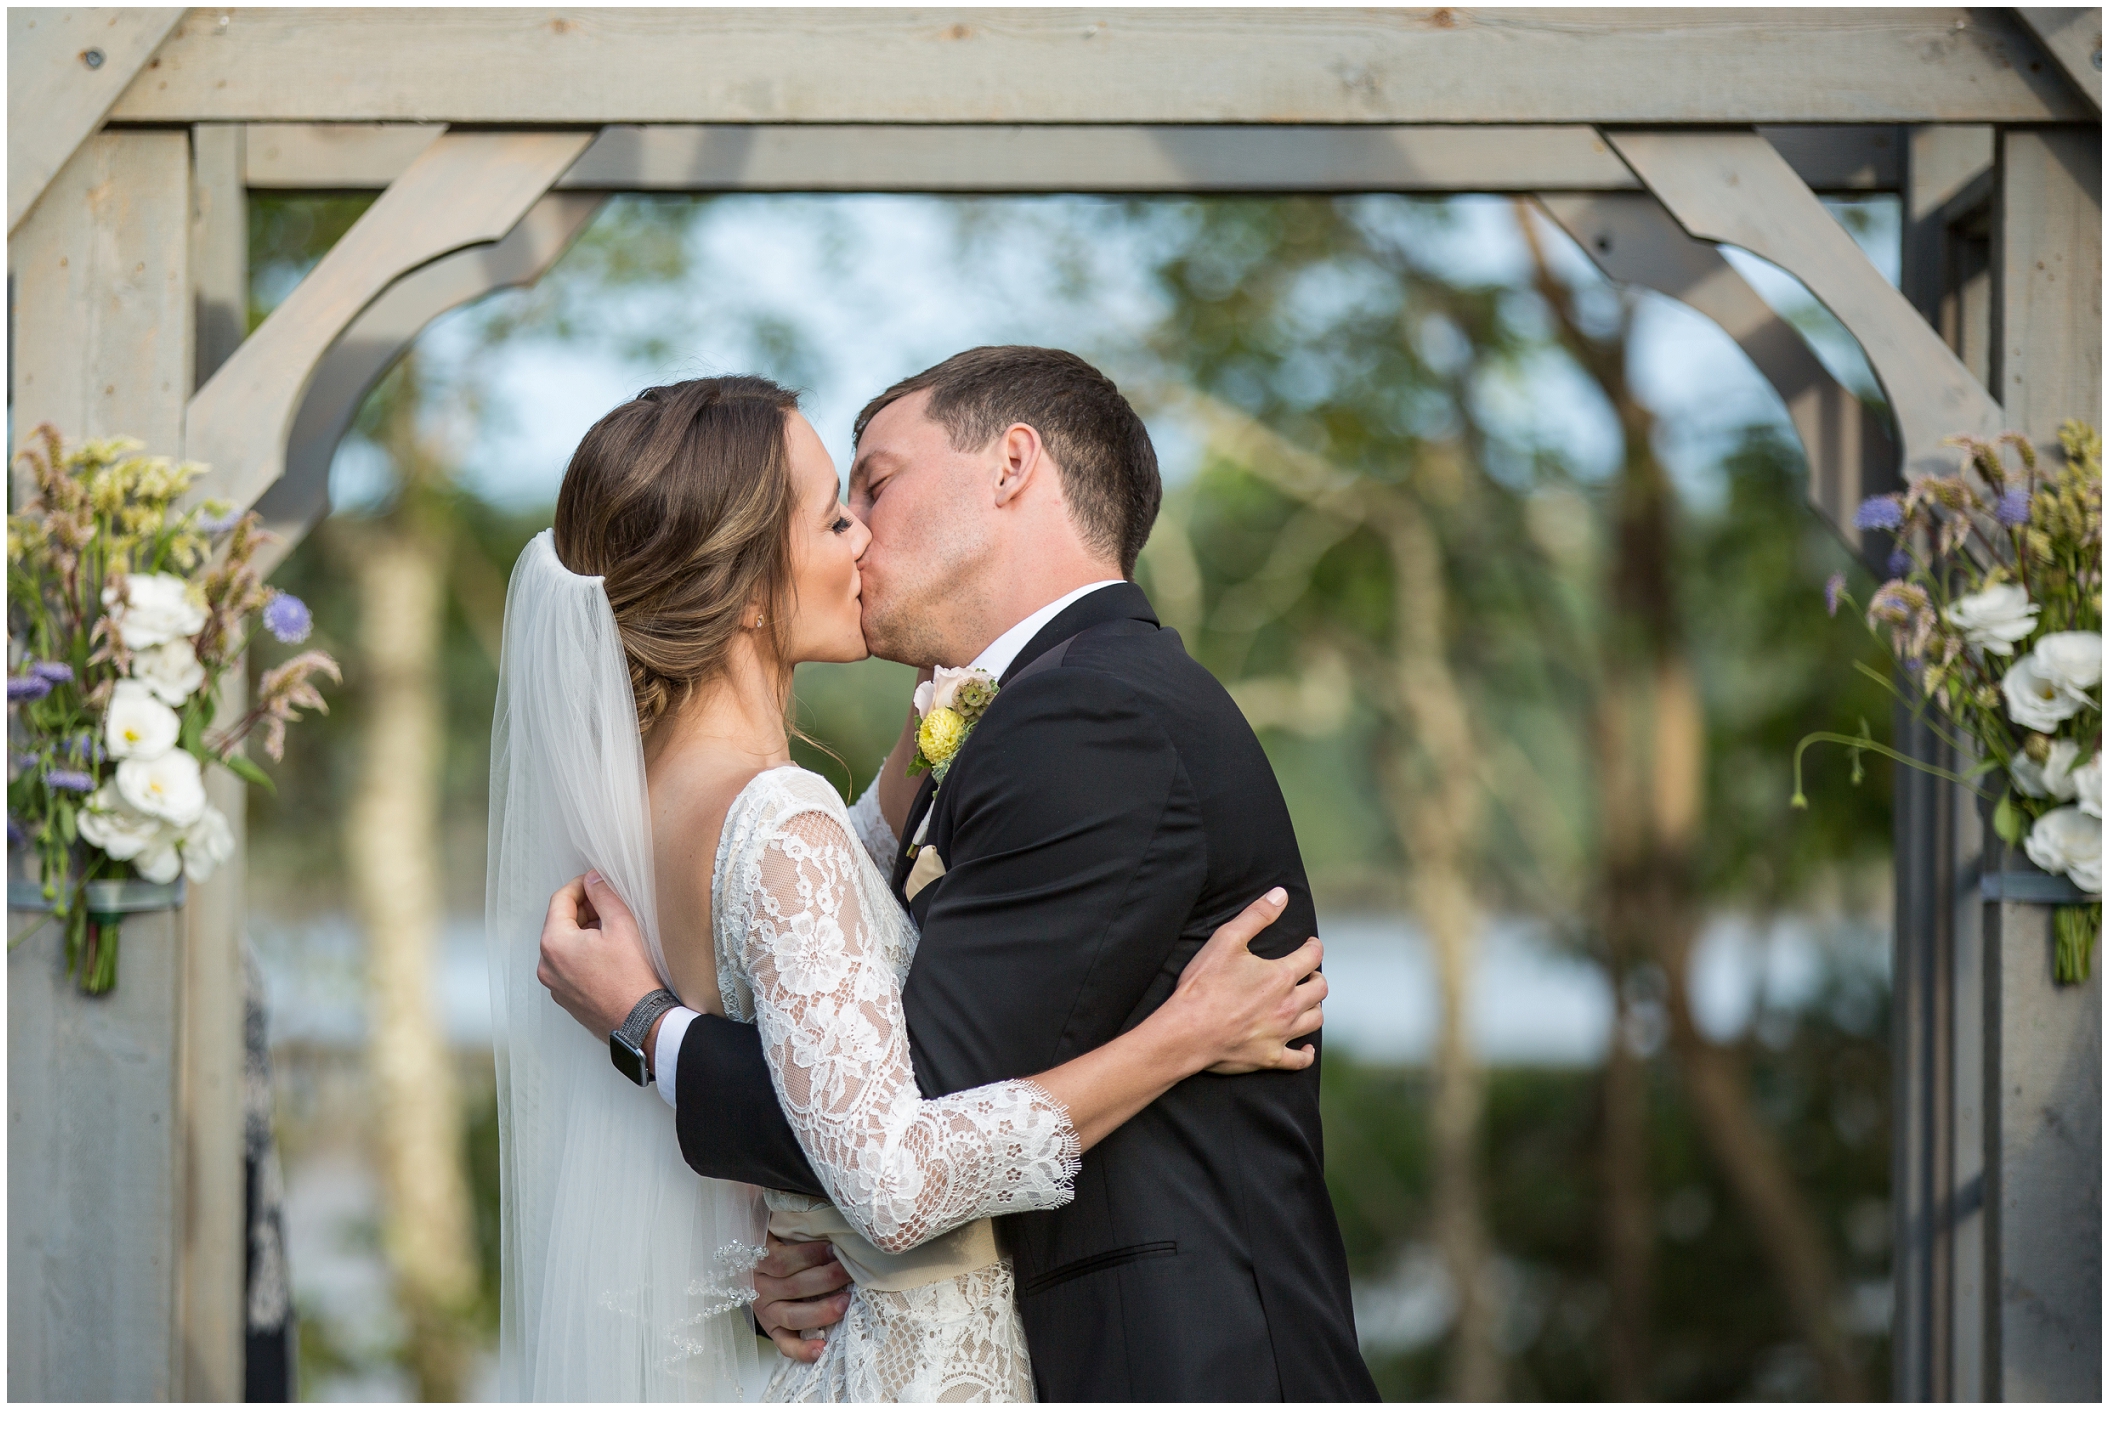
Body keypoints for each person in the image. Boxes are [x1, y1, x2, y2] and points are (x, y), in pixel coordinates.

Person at [537, 349, 1380, 1401]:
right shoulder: (955, 742)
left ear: (1013, 465)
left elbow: (887, 1129)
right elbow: (869, 1133)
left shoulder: (1090, 715)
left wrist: (648, 1027)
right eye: (831, 509)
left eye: (873, 486)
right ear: (743, 577)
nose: (855, 531)